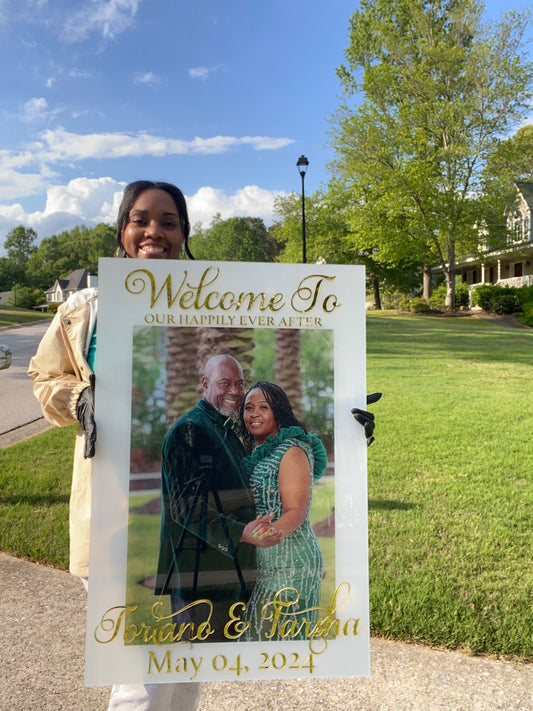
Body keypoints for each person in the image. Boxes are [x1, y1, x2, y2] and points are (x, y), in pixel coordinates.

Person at [28, 180, 200, 711]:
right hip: (119, 512)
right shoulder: (85, 310)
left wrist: (336, 422)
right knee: (139, 676)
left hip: (197, 511)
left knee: (188, 666)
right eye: (141, 219)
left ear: (184, 234)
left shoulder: (215, 302)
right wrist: (82, 399)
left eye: (169, 222)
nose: (154, 232)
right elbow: (44, 377)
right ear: (123, 230)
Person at [154, 354, 275, 641]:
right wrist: (240, 533)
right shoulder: (191, 431)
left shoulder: (224, 428)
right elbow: (186, 508)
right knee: (182, 670)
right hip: (203, 580)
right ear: (205, 384)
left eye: (239, 384)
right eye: (225, 383)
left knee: (196, 673)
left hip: (228, 574)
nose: (234, 391)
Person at [238, 381, 328, 641]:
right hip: (267, 562)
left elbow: (296, 510)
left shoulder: (292, 451)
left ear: (278, 411)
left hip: (292, 563)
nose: (254, 414)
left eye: (263, 407)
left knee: (260, 642)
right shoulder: (259, 451)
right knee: (264, 645)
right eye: (248, 408)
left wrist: (266, 535)